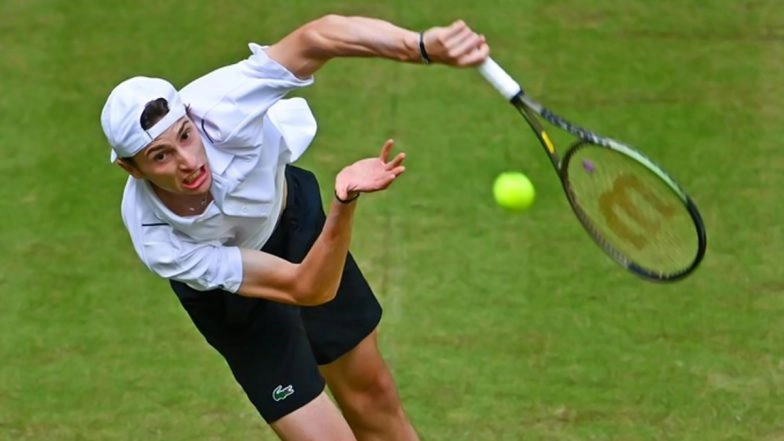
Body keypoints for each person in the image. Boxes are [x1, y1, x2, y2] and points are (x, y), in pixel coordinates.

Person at [100, 14, 489, 441]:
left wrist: (418, 45)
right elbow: (307, 290)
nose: (189, 162)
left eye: (186, 136)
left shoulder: (222, 105)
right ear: (130, 169)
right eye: (160, 157)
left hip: (294, 223)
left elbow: (319, 36)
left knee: (372, 398)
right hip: (234, 297)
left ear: (192, 118)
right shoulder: (158, 237)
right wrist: (344, 201)